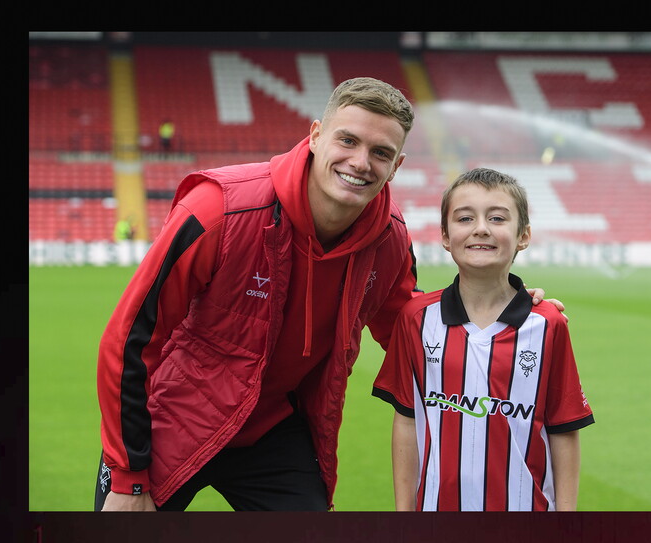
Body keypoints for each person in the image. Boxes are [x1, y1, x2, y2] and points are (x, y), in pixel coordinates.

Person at [94, 78, 565, 512]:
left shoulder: (389, 238)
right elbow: (128, 339)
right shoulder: (219, 210)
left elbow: (411, 326)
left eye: (381, 152)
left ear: (397, 165)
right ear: (316, 135)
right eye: (348, 140)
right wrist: (128, 479)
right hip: (173, 418)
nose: (361, 163)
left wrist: (502, 307)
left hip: (273, 427)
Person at [372, 167, 593, 511]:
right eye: (464, 218)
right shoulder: (416, 318)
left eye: (497, 218)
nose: (481, 228)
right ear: (445, 236)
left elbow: (563, 429)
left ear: (524, 235)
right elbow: (406, 420)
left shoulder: (548, 324)